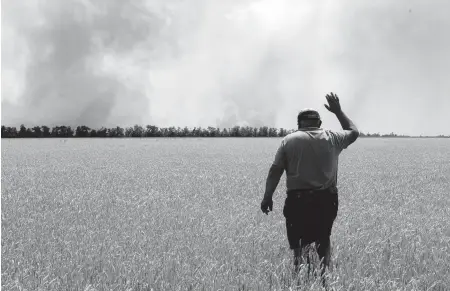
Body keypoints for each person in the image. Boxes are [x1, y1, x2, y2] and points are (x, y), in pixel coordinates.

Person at [260, 92, 359, 284]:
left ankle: (300, 281)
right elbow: (353, 132)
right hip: (326, 199)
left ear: (299, 123)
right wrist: (338, 112)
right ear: (320, 123)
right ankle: (324, 280)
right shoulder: (332, 137)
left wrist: (267, 197)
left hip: (297, 200)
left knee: (298, 243)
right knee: (323, 238)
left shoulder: (289, 140)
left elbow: (275, 171)